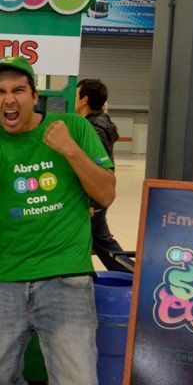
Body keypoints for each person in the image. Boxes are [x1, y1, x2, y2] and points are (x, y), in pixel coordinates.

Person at [0, 56, 115, 385]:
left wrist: (71, 151)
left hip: (67, 278)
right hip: (8, 278)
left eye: (17, 90)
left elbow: (107, 194)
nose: (8, 99)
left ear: (34, 96)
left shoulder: (75, 127)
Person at [76, 79, 127, 271]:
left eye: (76, 95)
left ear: (84, 100)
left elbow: (96, 168)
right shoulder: (100, 123)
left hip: (93, 200)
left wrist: (91, 203)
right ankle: (133, 275)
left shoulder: (93, 129)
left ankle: (133, 276)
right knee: (103, 243)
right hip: (97, 199)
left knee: (78, 243)